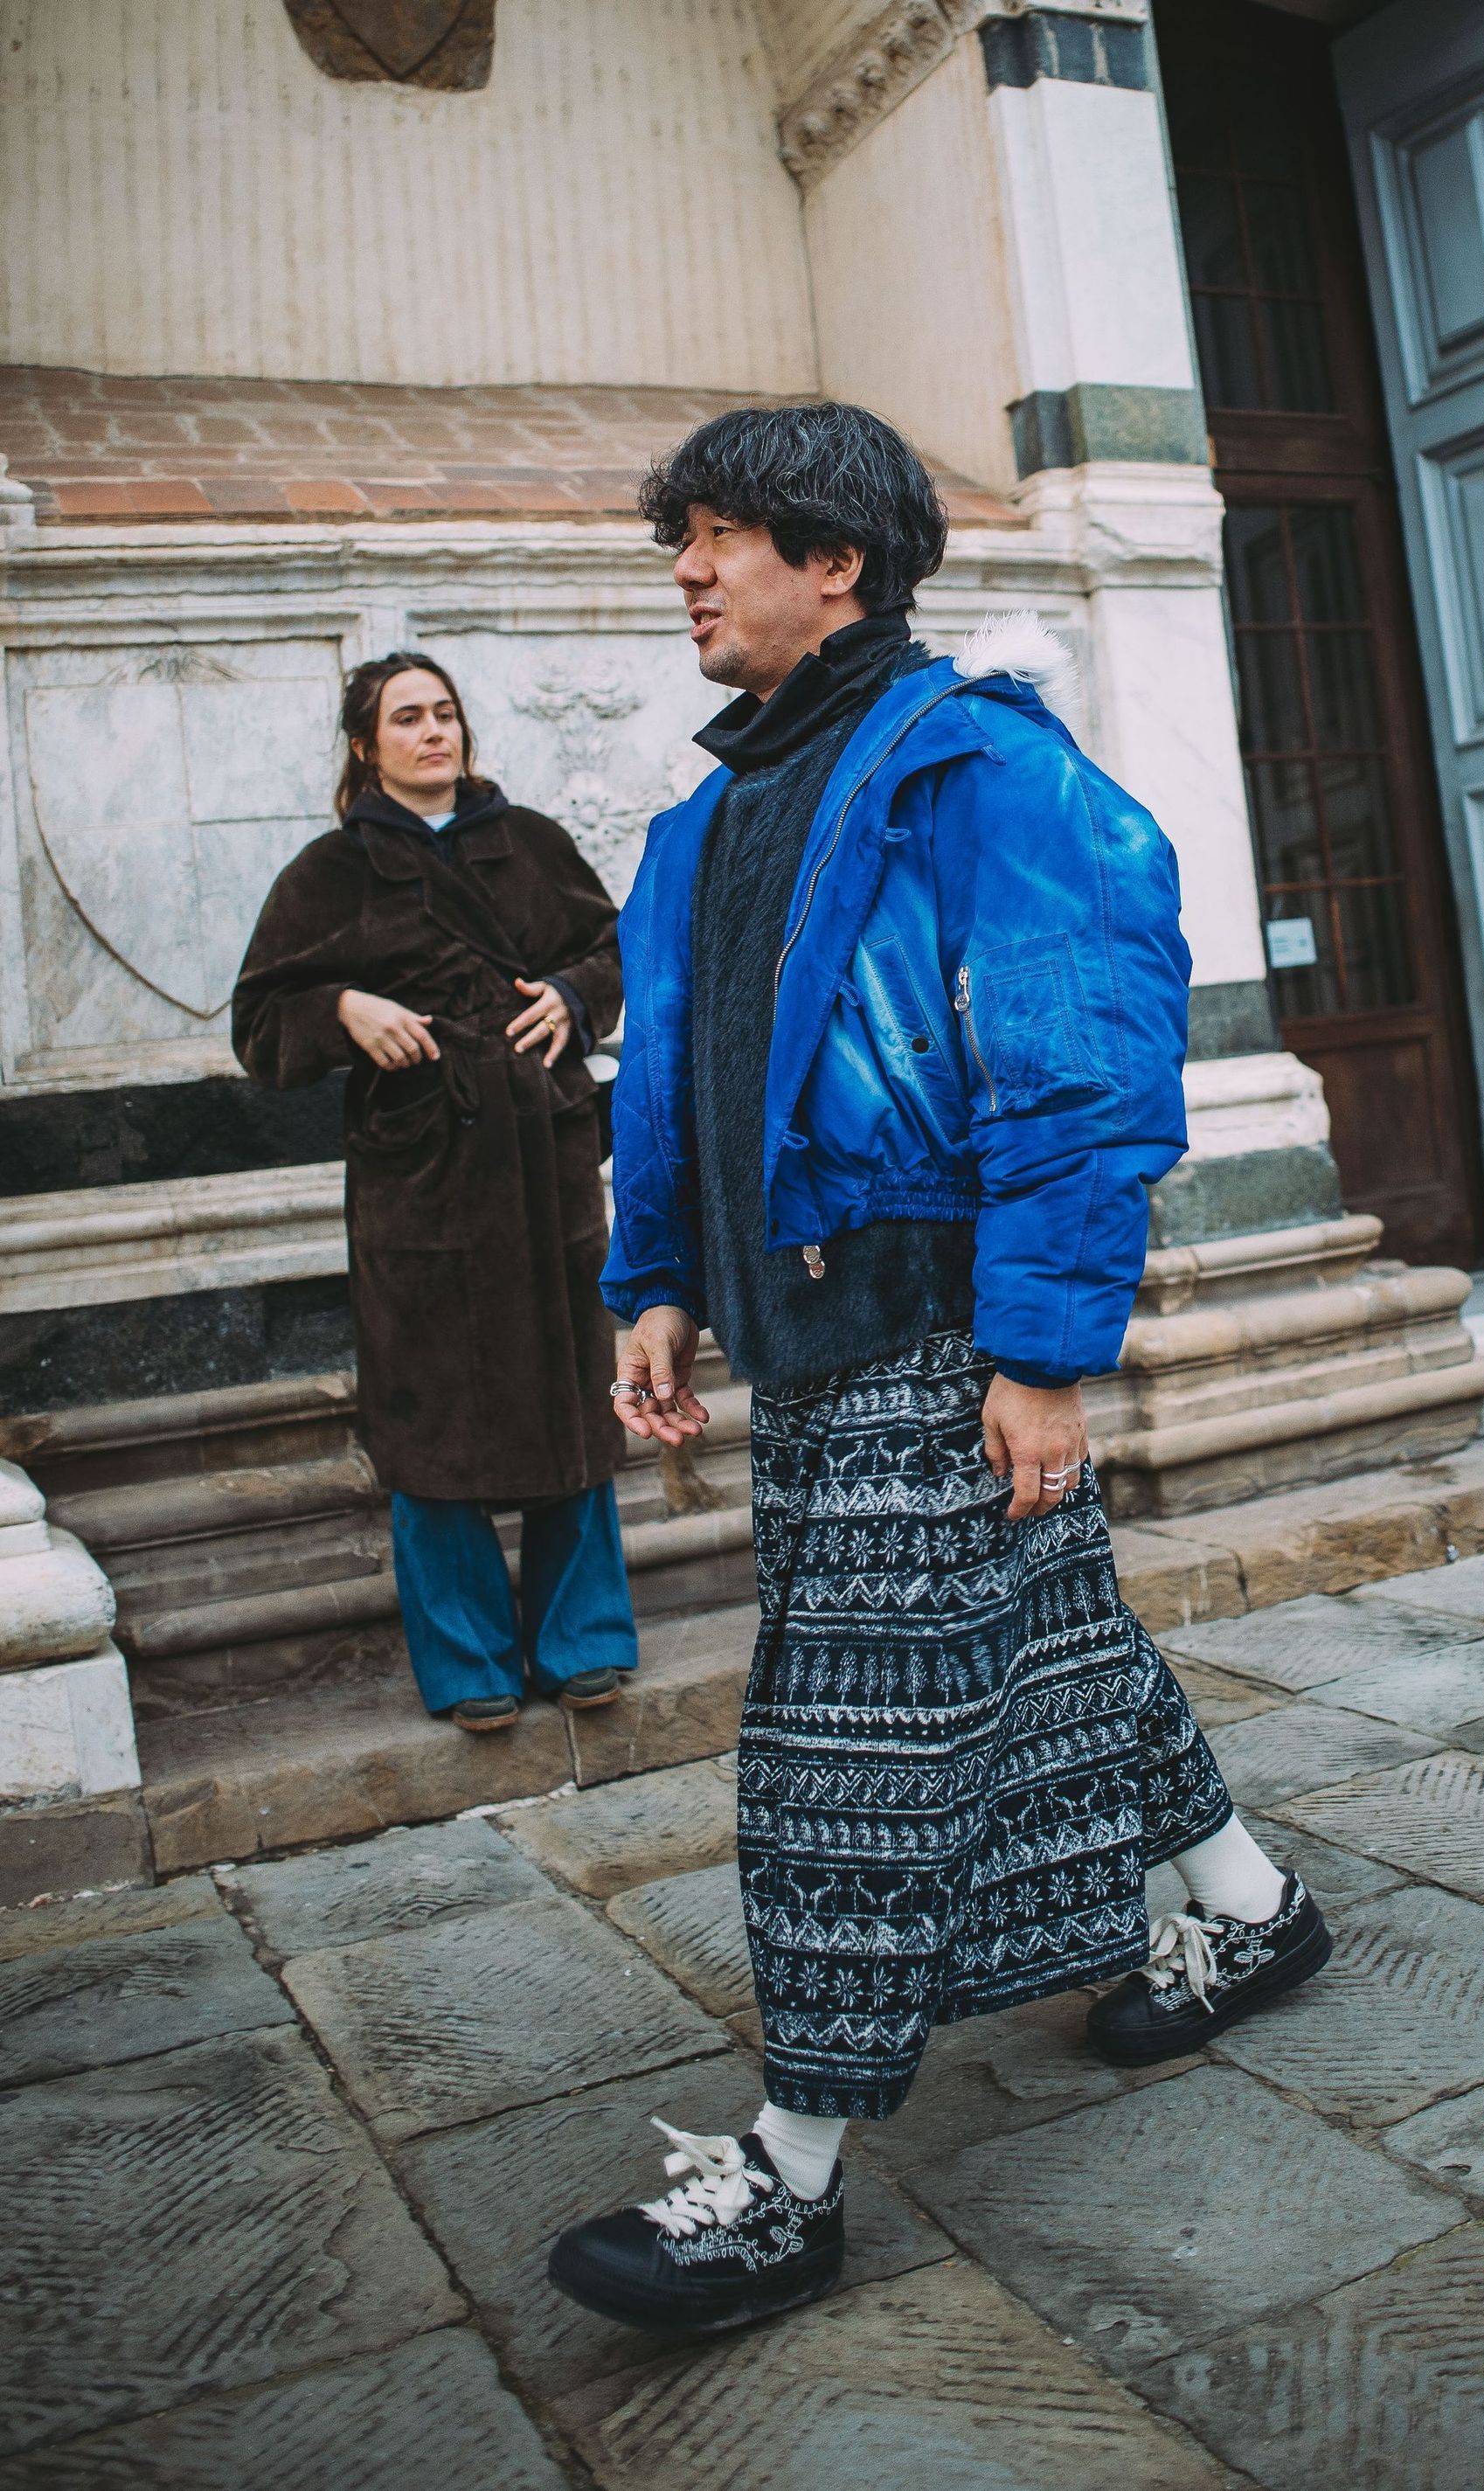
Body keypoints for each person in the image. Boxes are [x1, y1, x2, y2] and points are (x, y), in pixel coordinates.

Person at [544, 404, 1329, 2337]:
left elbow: (1077, 1063)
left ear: (838, 563)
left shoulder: (974, 765)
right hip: (805, 1335)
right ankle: (1253, 1910)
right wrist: (656, 1280)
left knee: (851, 1743)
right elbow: (679, 1078)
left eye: (721, 536)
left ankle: (789, 2174)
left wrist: (1044, 1352)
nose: (686, 572)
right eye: (681, 539)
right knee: (1053, 1635)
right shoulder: (710, 818)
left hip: (933, 1327)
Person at [232, 652, 637, 1731]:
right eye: (406, 718)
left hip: (543, 1159)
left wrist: (573, 995)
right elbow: (259, 1028)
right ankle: (468, 1663)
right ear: (366, 747)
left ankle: (583, 1640)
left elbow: (619, 951)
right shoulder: (331, 873)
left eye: (445, 713)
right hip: (421, 1175)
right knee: (431, 1409)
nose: (432, 733)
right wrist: (342, 1009)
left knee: (569, 1395)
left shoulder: (530, 843)